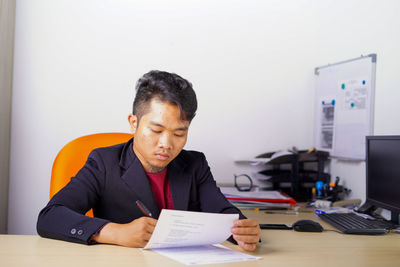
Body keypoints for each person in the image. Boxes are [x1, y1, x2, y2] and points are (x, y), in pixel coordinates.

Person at [37, 70, 261, 251]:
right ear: (133, 123)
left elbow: (223, 213)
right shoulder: (103, 163)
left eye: (179, 133)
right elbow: (50, 217)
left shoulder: (195, 164)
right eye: (156, 130)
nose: (166, 143)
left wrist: (242, 232)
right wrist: (115, 232)